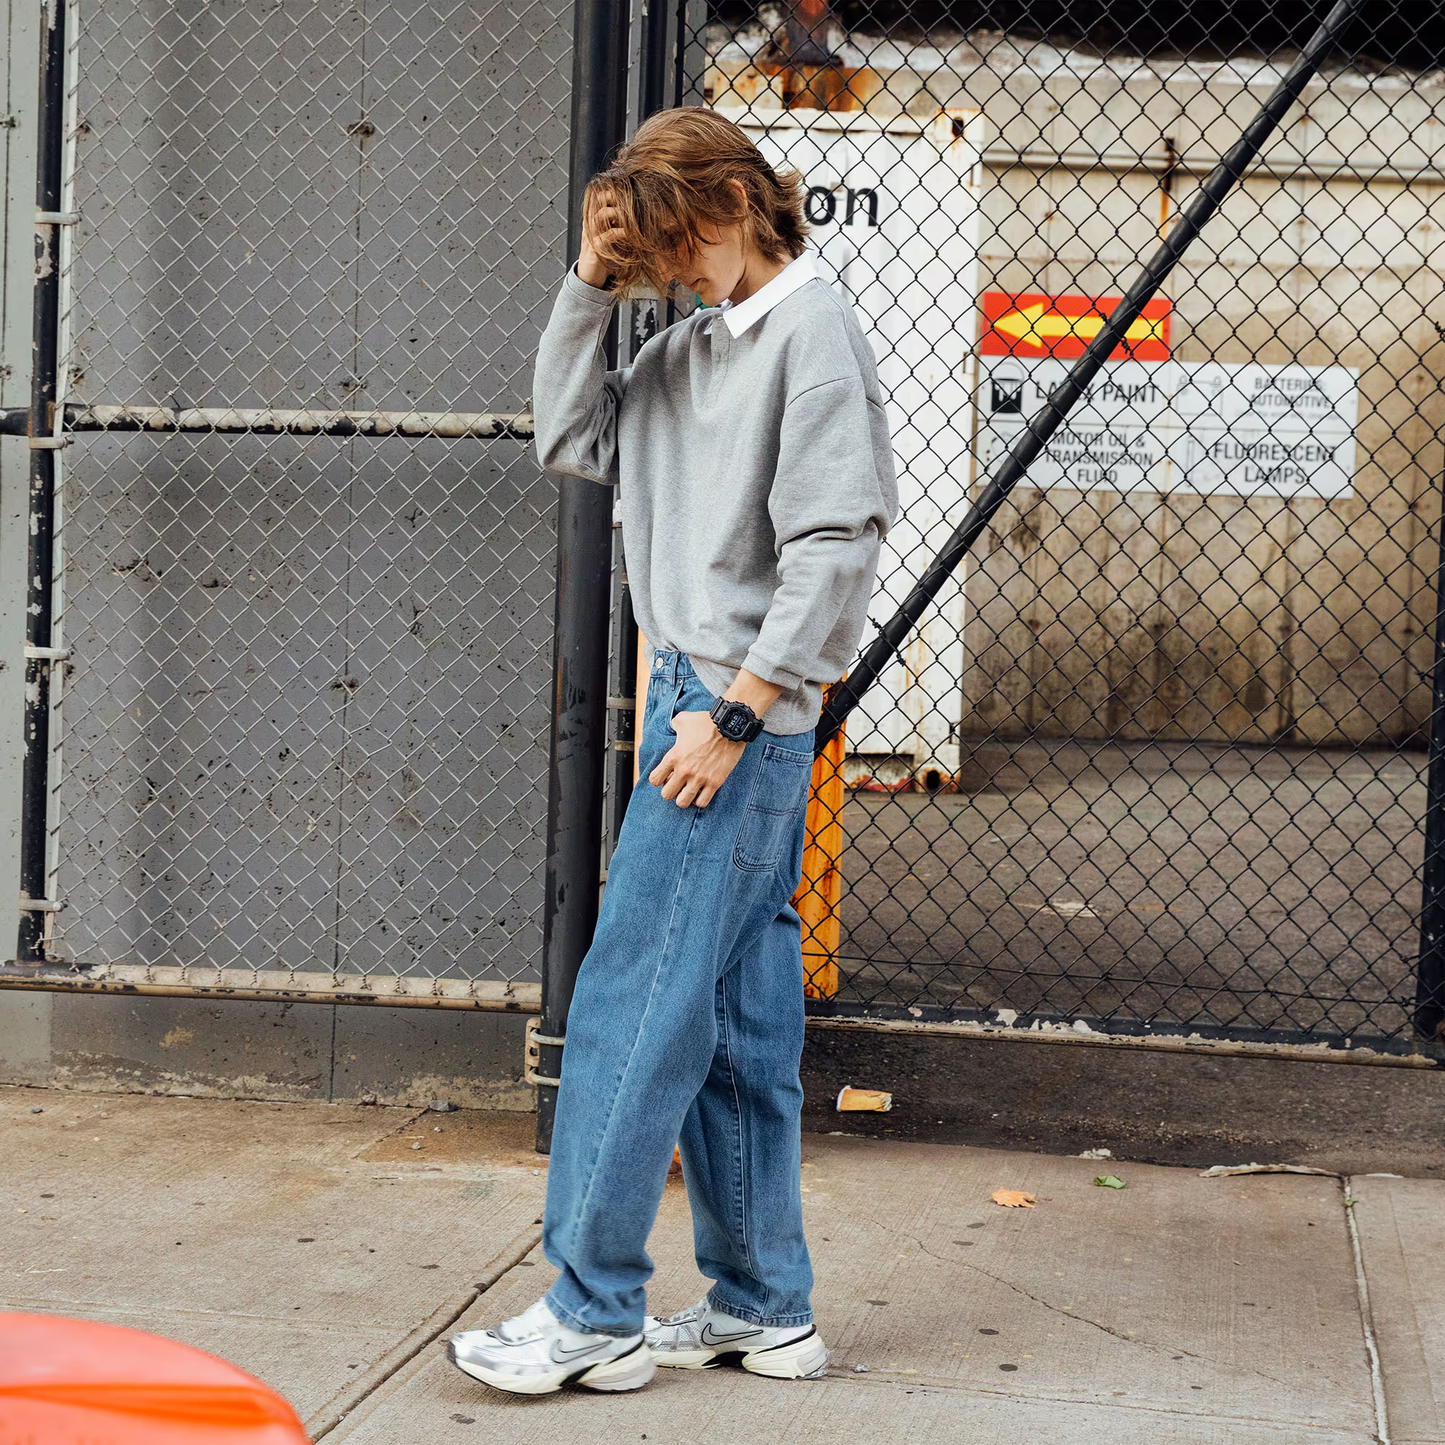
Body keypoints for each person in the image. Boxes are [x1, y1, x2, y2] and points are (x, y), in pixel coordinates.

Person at [449, 105, 897, 1398]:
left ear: (741, 201)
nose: (676, 265)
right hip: (705, 696)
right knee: (744, 1023)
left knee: (632, 1004)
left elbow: (834, 546)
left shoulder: (810, 333)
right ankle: (766, 1302)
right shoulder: (703, 344)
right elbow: (571, 434)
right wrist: (587, 287)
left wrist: (739, 713)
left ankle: (593, 1309)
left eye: (681, 235)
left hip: (733, 713)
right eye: (654, 250)